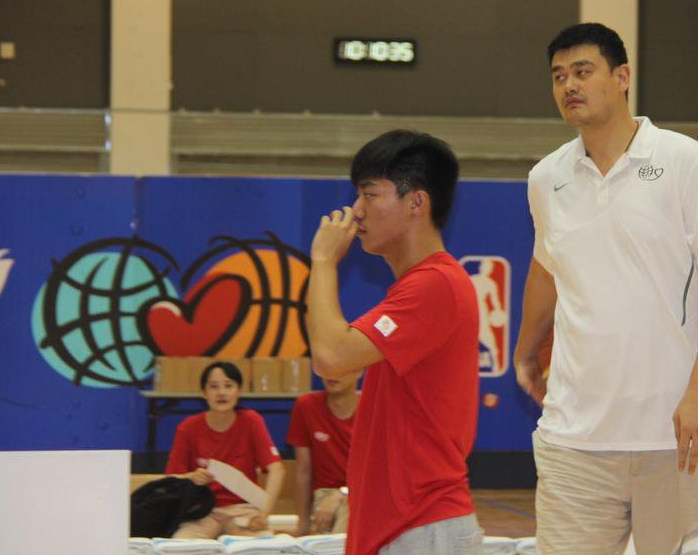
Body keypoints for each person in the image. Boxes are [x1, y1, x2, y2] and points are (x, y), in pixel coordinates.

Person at [512, 22, 698, 555]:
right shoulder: (545, 177)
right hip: (576, 440)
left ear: (622, 77)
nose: (569, 85)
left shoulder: (686, 160)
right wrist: (525, 350)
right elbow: (546, 268)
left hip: (683, 435)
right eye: (558, 76)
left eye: (583, 71)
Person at [306, 130, 482, 555]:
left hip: (423, 528)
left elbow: (330, 357)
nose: (356, 211)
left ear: (417, 202)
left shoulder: (435, 285)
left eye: (369, 194)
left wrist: (323, 261)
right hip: (405, 529)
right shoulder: (417, 287)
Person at [165, 361, 284, 539]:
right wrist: (192, 477)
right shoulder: (188, 427)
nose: (221, 393)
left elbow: (277, 470)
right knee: (180, 545)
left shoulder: (251, 421)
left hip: (243, 510)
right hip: (202, 511)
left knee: (262, 546)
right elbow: (171, 479)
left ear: (238, 391)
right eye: (214, 386)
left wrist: (264, 513)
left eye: (228, 386)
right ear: (204, 393)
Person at [286, 370, 362, 536]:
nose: (332, 373)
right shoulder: (306, 405)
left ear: (359, 370)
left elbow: (380, 472)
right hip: (324, 496)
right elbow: (303, 470)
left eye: (340, 366)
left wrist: (343, 493)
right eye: (327, 367)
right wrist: (303, 523)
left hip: (363, 492)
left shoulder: (374, 407)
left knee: (349, 513)